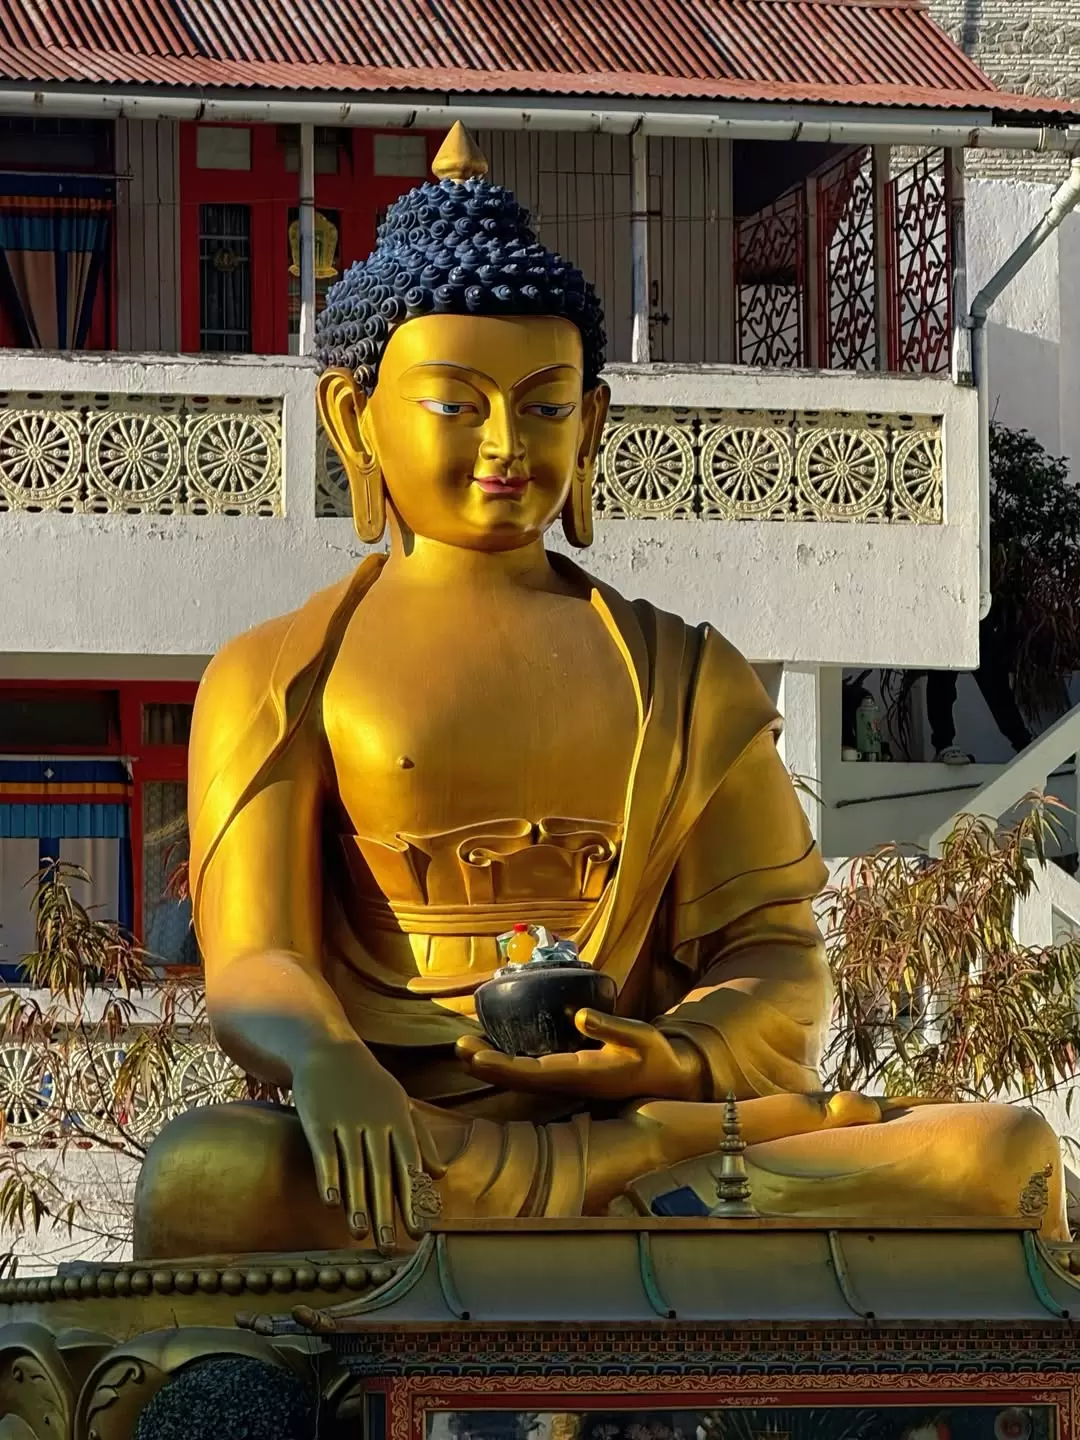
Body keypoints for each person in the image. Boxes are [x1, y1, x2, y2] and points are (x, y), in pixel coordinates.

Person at [132, 126, 1067, 1260]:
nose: (503, 445)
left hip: (658, 1131)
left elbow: (776, 963)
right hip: (407, 1136)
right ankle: (644, 1230)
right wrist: (328, 1058)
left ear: (594, 422)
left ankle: (636, 1208)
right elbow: (255, 962)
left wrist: (663, 1060)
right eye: (456, 405)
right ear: (353, 418)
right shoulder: (281, 670)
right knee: (214, 1175)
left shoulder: (680, 672)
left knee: (1002, 1152)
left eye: (543, 404)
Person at [928, 616, 1033, 764]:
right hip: (945, 614)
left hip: (973, 614)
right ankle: (943, 745)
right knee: (942, 679)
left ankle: (1023, 742)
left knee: (994, 679)